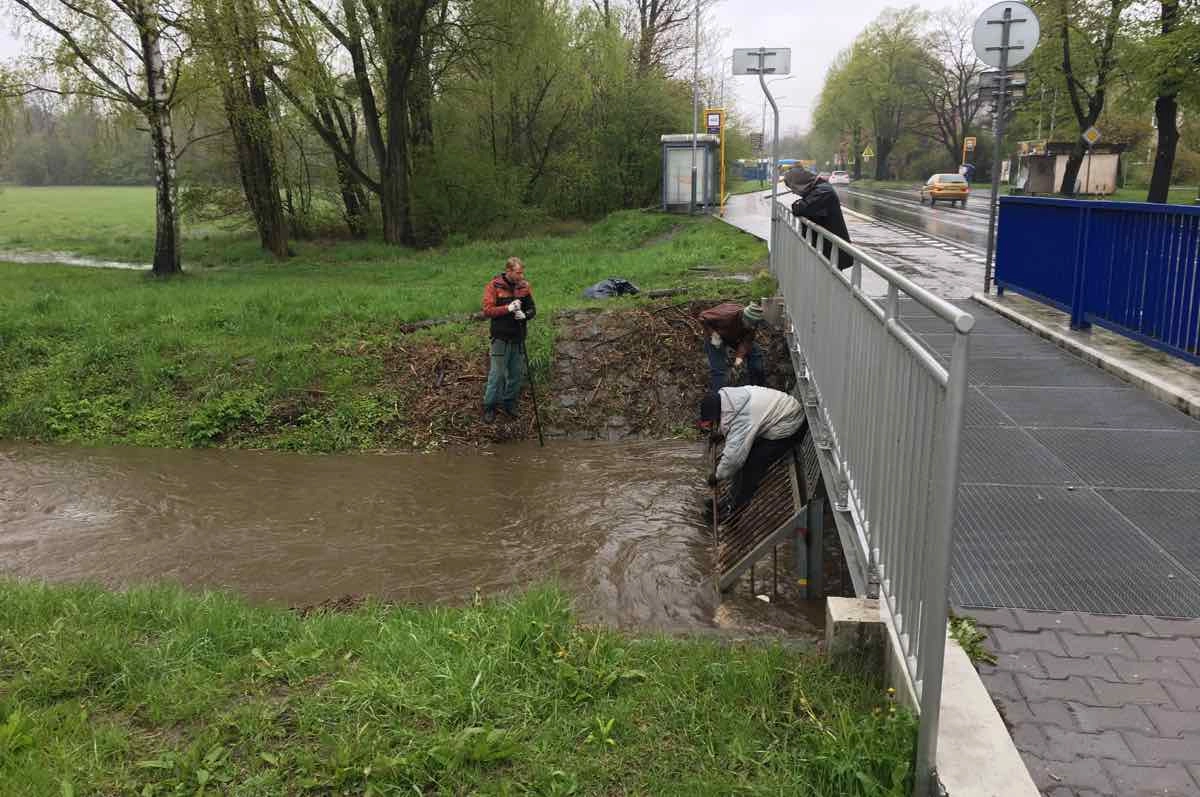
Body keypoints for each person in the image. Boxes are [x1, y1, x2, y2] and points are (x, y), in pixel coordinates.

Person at [699, 386, 804, 513]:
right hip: (782, 411)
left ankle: (734, 510)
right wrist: (721, 433)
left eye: (713, 421)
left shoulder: (743, 417)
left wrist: (717, 476)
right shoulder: (729, 398)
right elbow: (731, 418)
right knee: (745, 457)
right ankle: (729, 499)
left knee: (751, 464)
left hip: (788, 424)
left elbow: (734, 459)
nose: (713, 424)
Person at [481, 256, 536, 423]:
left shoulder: (524, 287)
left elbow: (533, 309)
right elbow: (487, 311)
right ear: (509, 271)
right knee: (496, 375)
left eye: (522, 272)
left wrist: (524, 315)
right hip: (500, 338)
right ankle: (489, 407)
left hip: (518, 338)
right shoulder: (494, 286)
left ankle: (509, 404)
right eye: (518, 272)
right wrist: (508, 308)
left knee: (516, 374)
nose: (521, 276)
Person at [783, 166, 854, 270]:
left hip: (831, 253)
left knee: (829, 282)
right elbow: (800, 206)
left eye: (793, 188)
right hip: (824, 250)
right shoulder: (817, 189)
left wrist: (798, 205)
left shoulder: (823, 191)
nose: (793, 192)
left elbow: (800, 209)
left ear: (800, 183)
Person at [698, 301, 766, 393]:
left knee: (755, 353)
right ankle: (718, 398)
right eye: (750, 323)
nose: (752, 327)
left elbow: (747, 341)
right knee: (719, 370)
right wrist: (713, 334)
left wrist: (739, 357)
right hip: (716, 337)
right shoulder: (726, 314)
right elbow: (702, 317)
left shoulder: (754, 322)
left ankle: (757, 388)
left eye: (754, 324)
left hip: (734, 336)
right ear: (744, 316)